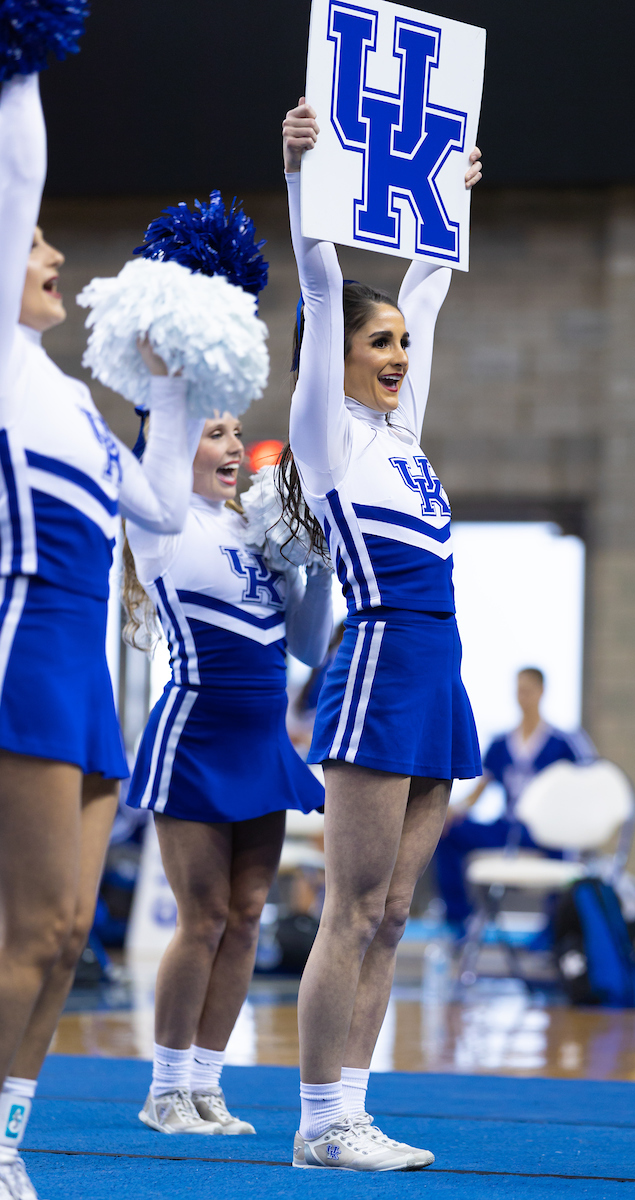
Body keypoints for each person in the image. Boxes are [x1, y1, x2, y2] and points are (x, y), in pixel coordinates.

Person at [0, 72, 194, 1200]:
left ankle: (11, 1137)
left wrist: (171, 386)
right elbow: (18, 172)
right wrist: (20, 67)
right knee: (24, 925)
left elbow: (161, 506)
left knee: (69, 933)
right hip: (23, 645)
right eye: (32, 249)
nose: (53, 260)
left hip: (85, 671)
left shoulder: (70, 398)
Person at [280, 98, 482, 1171]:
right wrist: (299, 175)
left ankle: (353, 1109)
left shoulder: (402, 436)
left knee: (398, 910)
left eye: (401, 343)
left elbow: (430, 286)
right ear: (336, 355)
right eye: (379, 342)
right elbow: (318, 282)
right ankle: (318, 1122)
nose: (399, 353)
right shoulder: (328, 435)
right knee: (350, 906)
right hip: (376, 660)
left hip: (438, 669)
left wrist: (449, 193)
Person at [123, 407, 333, 1134]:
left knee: (246, 919)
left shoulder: (252, 523)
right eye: (215, 434)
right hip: (197, 736)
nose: (236, 447)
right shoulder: (164, 524)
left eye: (238, 434)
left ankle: (207, 1087)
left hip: (261, 742)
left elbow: (307, 647)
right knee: (203, 918)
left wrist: (317, 563)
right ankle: (165, 1090)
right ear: (176, 448)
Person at [436, 667, 596, 935]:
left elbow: (588, 784)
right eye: (519, 690)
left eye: (528, 690)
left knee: (565, 850)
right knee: (448, 832)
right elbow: (480, 791)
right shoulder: (501, 744)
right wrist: (456, 809)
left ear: (541, 692)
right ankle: (458, 919)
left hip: (544, 832)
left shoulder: (564, 743)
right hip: (507, 826)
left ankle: (553, 931)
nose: (522, 697)